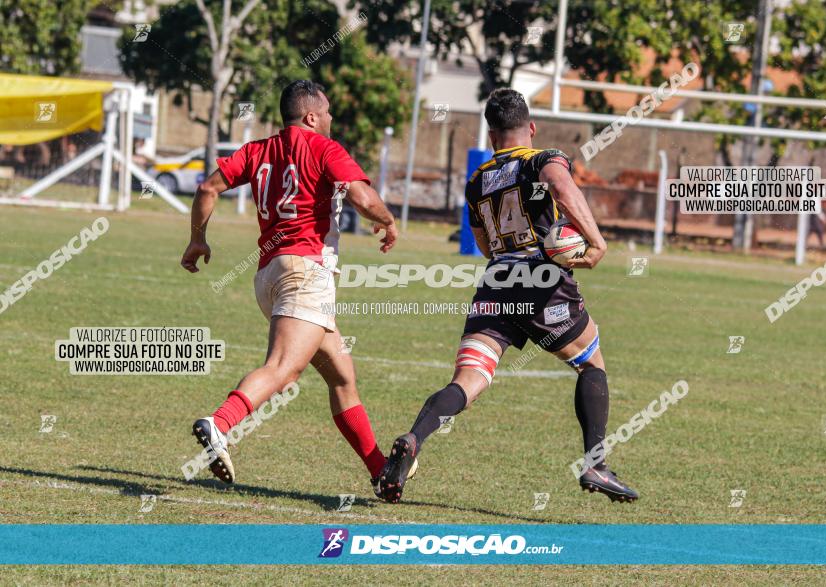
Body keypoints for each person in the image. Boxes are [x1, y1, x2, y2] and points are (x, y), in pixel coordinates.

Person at [377, 88, 638, 504]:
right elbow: (561, 186)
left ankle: (413, 438)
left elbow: (483, 245)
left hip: (497, 279)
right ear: (530, 128)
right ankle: (595, 463)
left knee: (468, 380)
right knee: (591, 363)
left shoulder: (477, 180)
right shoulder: (543, 159)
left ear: (491, 134)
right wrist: (593, 240)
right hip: (541, 280)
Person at [180, 80, 397, 495]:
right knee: (283, 369)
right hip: (305, 272)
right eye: (328, 111)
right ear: (312, 116)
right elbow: (363, 198)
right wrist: (387, 221)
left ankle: (382, 471)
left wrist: (197, 239)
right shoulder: (324, 148)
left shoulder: (258, 150)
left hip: (269, 275)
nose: (331, 118)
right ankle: (219, 423)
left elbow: (208, 188)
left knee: (342, 378)